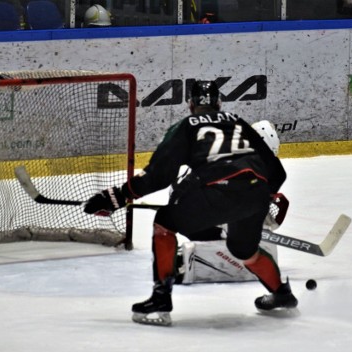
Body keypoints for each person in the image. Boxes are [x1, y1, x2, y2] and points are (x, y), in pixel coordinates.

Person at [83, 80, 297, 325]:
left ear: (191, 105)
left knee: (164, 221)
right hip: (255, 193)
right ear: (218, 104)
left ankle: (161, 299)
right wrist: (260, 198)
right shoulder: (238, 122)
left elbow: (159, 176)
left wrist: (116, 197)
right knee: (244, 251)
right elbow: (277, 173)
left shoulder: (186, 126)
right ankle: (282, 295)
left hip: (218, 191)